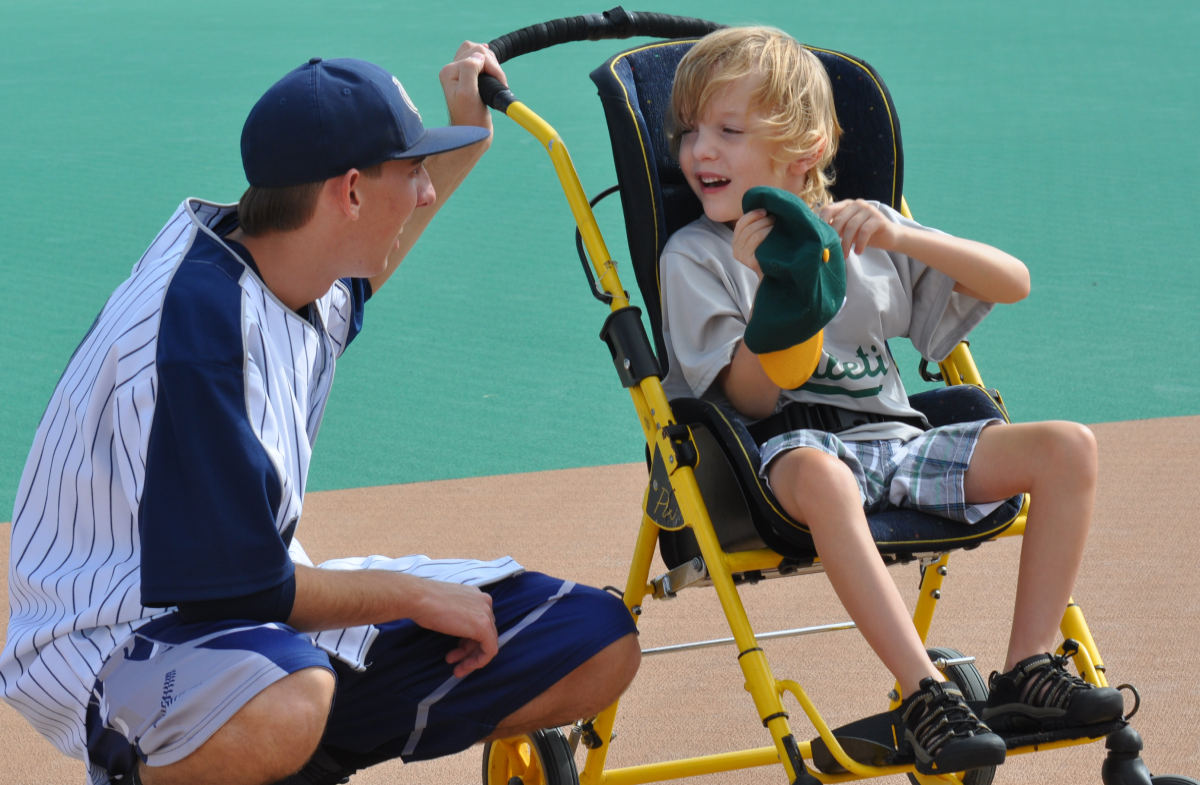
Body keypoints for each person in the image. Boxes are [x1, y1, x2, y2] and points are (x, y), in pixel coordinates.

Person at [1, 45, 640, 785]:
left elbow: (368, 275)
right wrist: (415, 594)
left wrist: (469, 137)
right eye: (414, 171)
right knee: (290, 699)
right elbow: (245, 588)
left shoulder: (290, 259)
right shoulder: (198, 334)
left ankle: (289, 766)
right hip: (114, 641)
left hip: (252, 619)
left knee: (596, 639)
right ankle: (152, 768)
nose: (427, 192)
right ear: (349, 193)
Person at [658, 26, 1122, 776]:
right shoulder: (699, 255)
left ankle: (1027, 669)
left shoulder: (863, 231)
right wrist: (783, 294)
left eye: (728, 131)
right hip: (786, 453)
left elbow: (1013, 280)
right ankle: (923, 692)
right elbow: (745, 393)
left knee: (1068, 445)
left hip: (898, 440)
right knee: (824, 476)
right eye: (689, 132)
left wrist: (909, 238)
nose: (698, 151)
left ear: (803, 149)